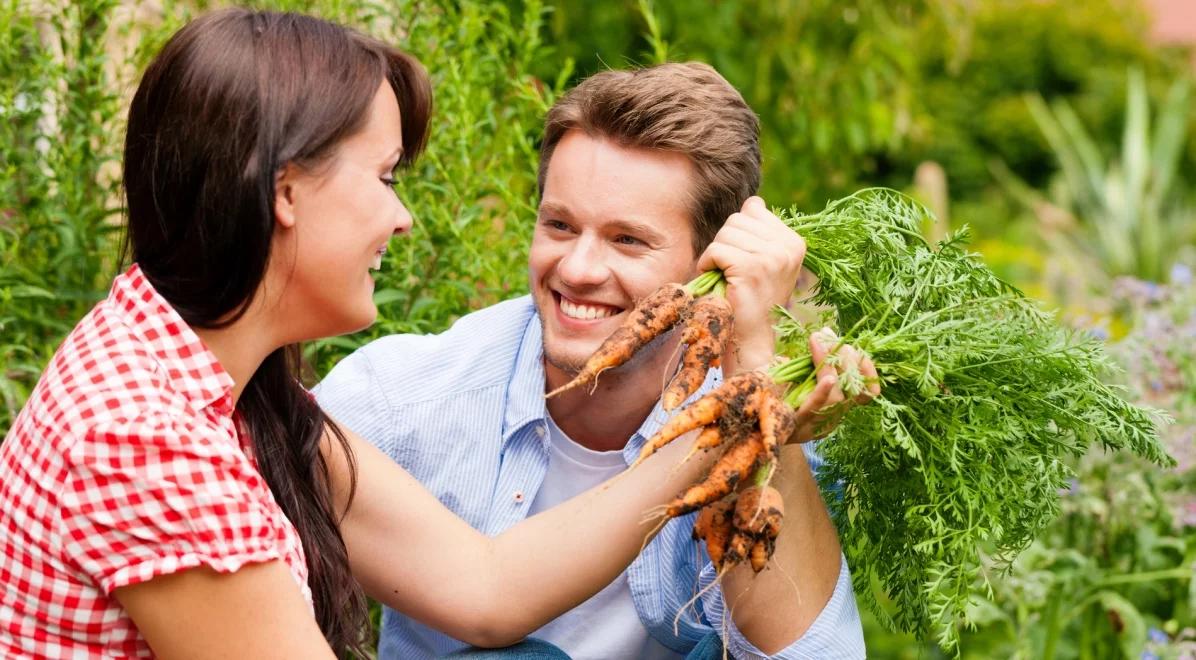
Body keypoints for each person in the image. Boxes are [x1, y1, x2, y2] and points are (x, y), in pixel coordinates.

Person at [0, 12, 842, 658]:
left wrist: (745, 397)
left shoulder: (221, 392)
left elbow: (486, 586)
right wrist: (748, 400)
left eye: (626, 239)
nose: (402, 218)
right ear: (287, 192)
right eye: (384, 176)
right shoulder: (146, 437)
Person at [317, 62, 877, 659]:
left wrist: (755, 377)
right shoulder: (398, 400)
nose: (579, 270)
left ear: (711, 267)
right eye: (559, 225)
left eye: (627, 240)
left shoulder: (776, 415)